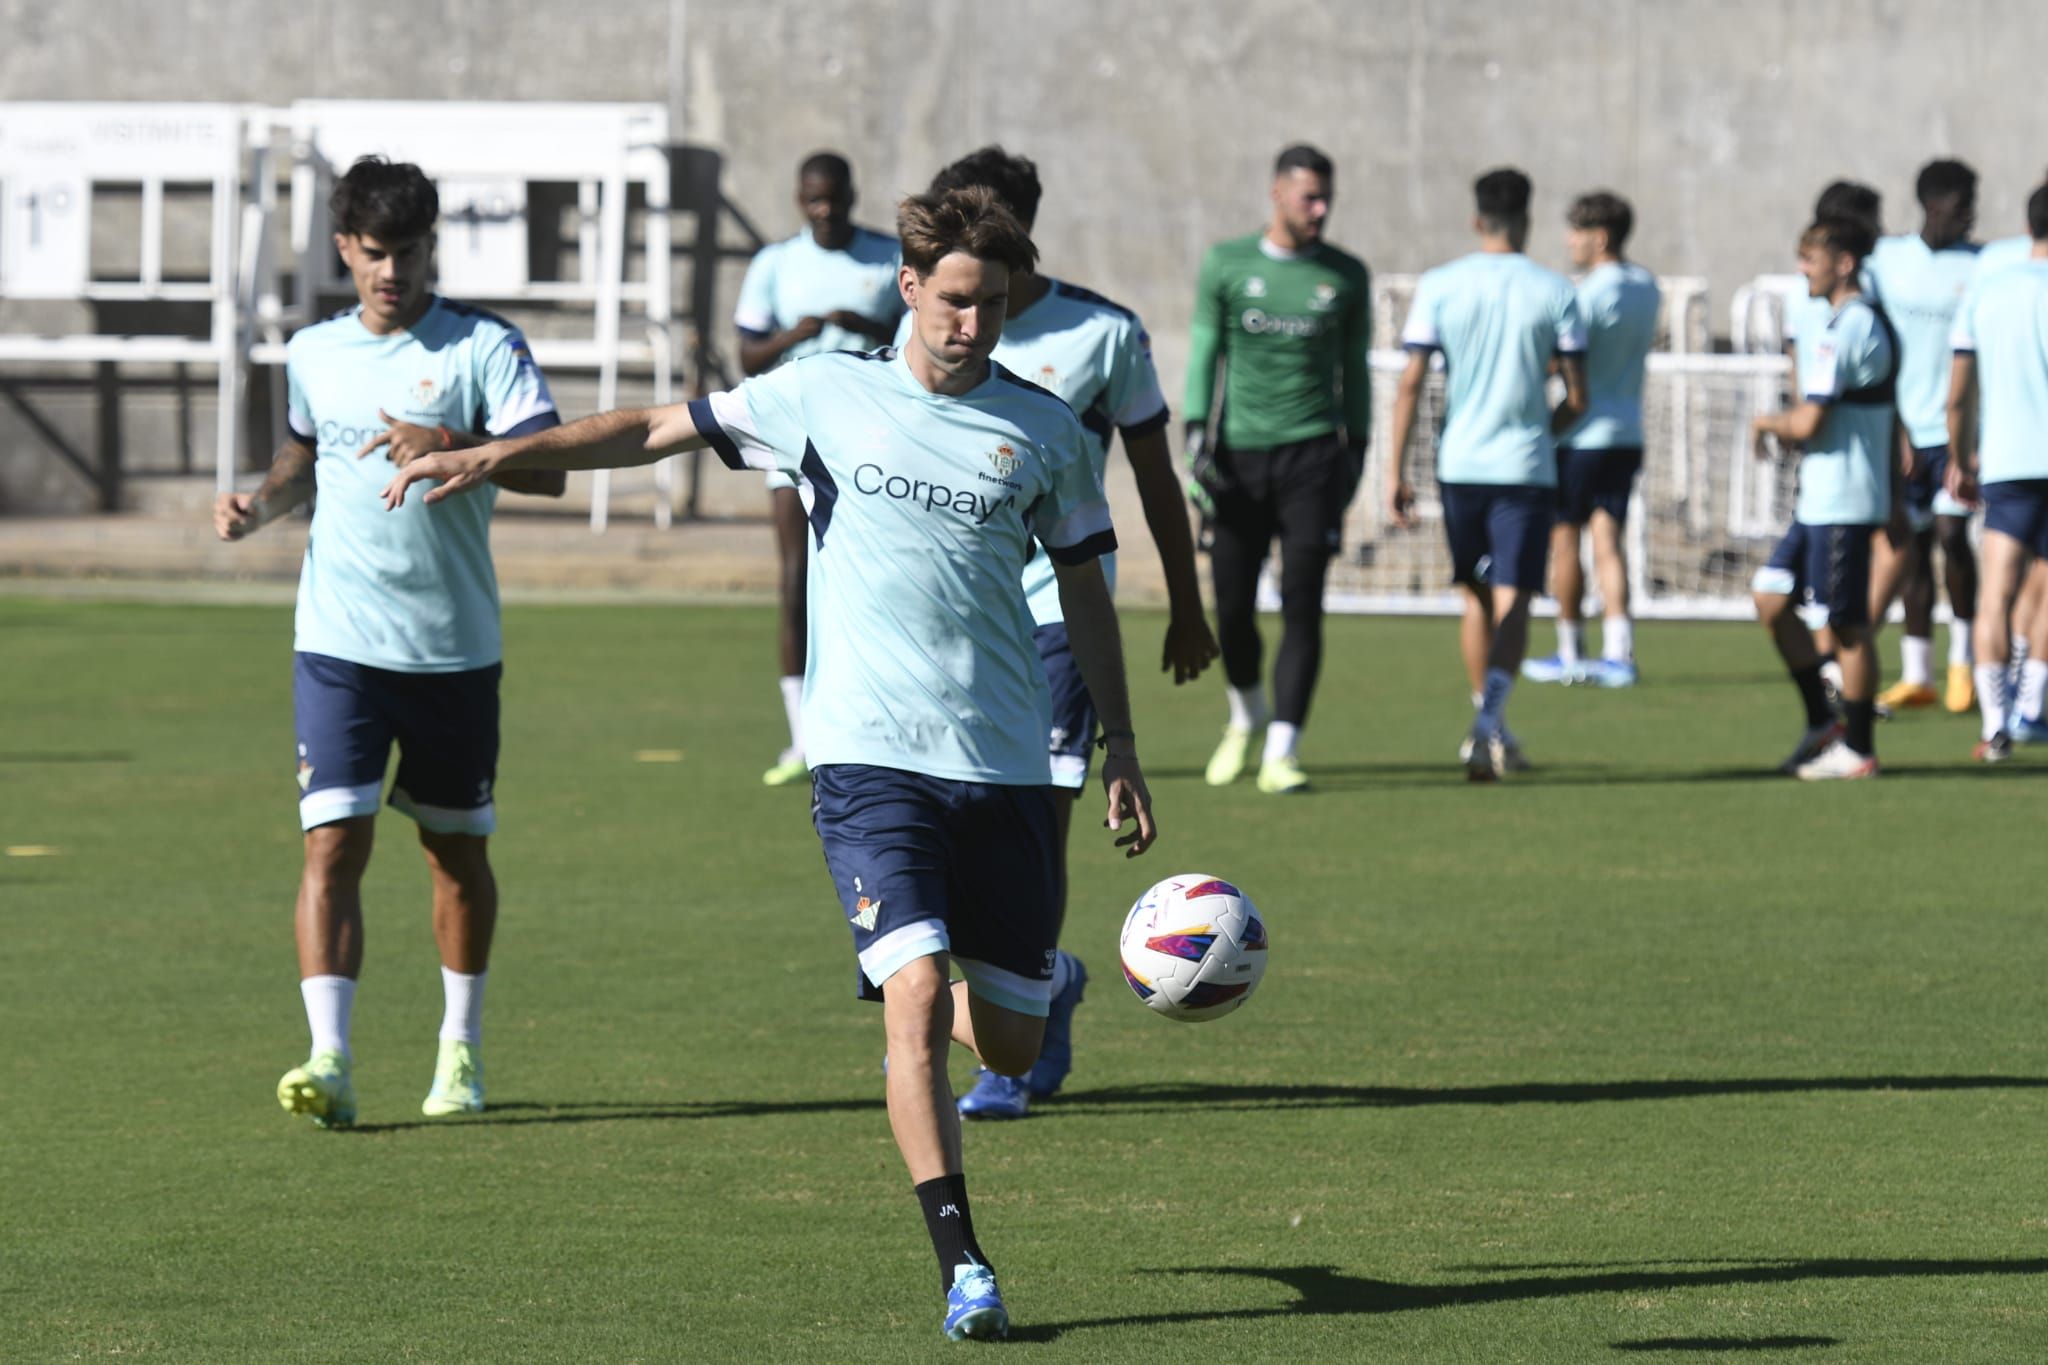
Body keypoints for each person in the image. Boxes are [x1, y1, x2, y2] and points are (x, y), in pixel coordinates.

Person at [380, 185, 1156, 1343]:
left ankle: (1030, 980)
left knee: (1010, 1040)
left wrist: (1123, 746)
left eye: (991, 305)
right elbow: (649, 427)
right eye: (953, 300)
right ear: (908, 286)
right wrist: (502, 452)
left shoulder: (1041, 430)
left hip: (999, 766)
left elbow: (1086, 591)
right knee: (906, 1004)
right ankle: (966, 1266)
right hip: (865, 765)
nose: (972, 325)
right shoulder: (819, 392)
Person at [211, 157, 565, 1127]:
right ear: (344, 250)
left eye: (407, 253)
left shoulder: (483, 346)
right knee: (331, 844)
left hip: (452, 648)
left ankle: (460, 1052)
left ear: (428, 247)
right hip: (338, 643)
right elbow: (304, 454)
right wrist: (260, 504)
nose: (391, 273)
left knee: (453, 855)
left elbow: (551, 470)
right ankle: (328, 1058)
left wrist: (452, 440)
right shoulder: (314, 350)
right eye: (373, 255)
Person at [917, 147, 1216, 1121]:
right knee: (955, 845)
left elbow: (1154, 473)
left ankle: (1002, 1053)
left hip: (1052, 618)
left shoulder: (1102, 333)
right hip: (951, 628)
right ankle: (1048, 980)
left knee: (1032, 835)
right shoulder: (925, 323)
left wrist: (1184, 601)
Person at [1388, 168, 1588, 780]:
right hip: (1525, 467)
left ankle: (1489, 724)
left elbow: (1411, 381)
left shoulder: (1441, 285)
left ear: (1477, 220)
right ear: (1527, 220)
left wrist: (1394, 471)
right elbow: (1578, 396)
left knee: (1473, 598)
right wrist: (1545, 429)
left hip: (1459, 466)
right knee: (1515, 600)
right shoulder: (1556, 291)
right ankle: (1488, 725)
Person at [1184, 144, 1372, 794]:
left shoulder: (1346, 275)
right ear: (1277, 194)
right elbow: (1206, 349)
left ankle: (1283, 748)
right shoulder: (1227, 263)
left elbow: (1356, 371)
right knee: (1231, 608)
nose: (1319, 210)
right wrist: (1191, 432)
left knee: (1303, 605)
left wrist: (1360, 447)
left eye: (1326, 199)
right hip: (1238, 458)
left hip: (1314, 457)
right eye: (1308, 197)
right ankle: (1245, 716)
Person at [733, 153, 905, 785]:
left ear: (852, 193)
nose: (825, 209)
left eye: (834, 197)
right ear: (799, 200)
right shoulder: (776, 263)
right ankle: (802, 737)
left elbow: (917, 334)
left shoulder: (890, 256)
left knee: (880, 577)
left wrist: (869, 325)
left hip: (874, 439)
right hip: (795, 433)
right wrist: (794, 335)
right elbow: (747, 351)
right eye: (813, 199)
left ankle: (878, 721)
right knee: (795, 578)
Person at [1748, 214, 1898, 780]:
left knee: (1846, 626)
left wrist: (1766, 423)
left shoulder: (1850, 327)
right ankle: (1822, 723)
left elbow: (1810, 420)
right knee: (1770, 596)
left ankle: (1858, 749)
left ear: (1844, 263)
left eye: (1810, 258)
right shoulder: (1844, 321)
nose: (1801, 269)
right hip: (1821, 499)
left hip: (1845, 499)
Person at [1523, 190, 1659, 688]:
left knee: (1565, 541)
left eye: (1576, 232)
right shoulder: (1648, 286)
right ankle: (1619, 651)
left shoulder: (1586, 294)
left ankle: (1570, 649)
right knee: (1609, 541)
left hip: (1580, 435)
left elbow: (1562, 358)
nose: (1569, 241)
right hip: (1626, 431)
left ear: (1599, 237)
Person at [1866, 161, 1981, 717]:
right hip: (1904, 433)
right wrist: (1895, 426)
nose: (1969, 215)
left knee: (1953, 537)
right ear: (1931, 204)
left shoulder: (1983, 265)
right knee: (1908, 552)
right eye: (1961, 204)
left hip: (1957, 434)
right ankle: (1917, 673)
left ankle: (1964, 662)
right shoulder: (1888, 262)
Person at [1946, 182, 2048, 762]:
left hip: (2007, 460)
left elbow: (1959, 395)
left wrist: (1960, 459)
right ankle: (2032, 708)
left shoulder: (1990, 289)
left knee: (1997, 592)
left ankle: (1995, 725)